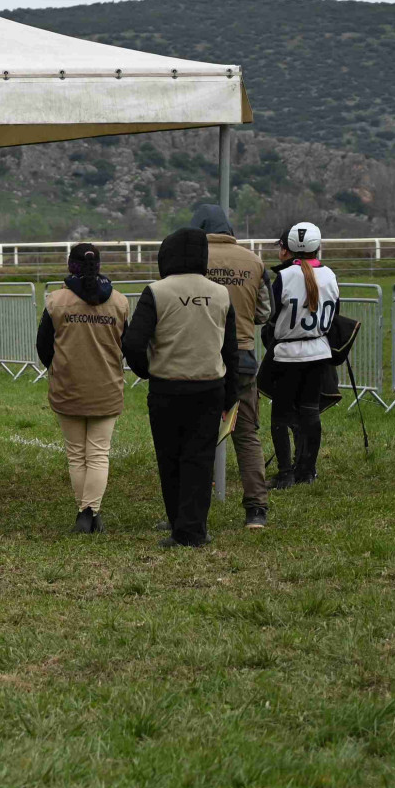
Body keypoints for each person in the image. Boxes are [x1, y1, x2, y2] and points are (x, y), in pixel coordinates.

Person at [123, 227, 240, 549]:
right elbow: (231, 350)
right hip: (209, 387)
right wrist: (232, 395)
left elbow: (133, 342)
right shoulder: (220, 293)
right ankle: (194, 529)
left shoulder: (157, 291)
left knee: (170, 458)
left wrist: (147, 371)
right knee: (200, 460)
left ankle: (178, 524)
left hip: (167, 389)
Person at [35, 243, 132, 533]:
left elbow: (43, 346)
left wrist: (58, 368)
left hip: (68, 387)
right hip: (106, 388)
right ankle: (91, 513)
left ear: (70, 265)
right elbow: (125, 345)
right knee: (99, 453)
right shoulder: (120, 302)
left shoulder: (56, 301)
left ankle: (84, 513)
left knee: (76, 454)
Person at [193, 203, 270, 528]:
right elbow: (264, 313)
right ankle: (256, 509)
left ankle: (194, 508)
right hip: (243, 359)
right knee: (247, 434)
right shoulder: (254, 261)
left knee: (198, 435)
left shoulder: (194, 258)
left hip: (202, 357)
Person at [260, 221, 341, 489]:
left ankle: (286, 474)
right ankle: (307, 470)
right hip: (319, 351)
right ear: (318, 246)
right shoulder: (330, 275)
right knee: (310, 411)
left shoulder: (284, 277)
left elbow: (271, 314)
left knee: (281, 416)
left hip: (287, 354)